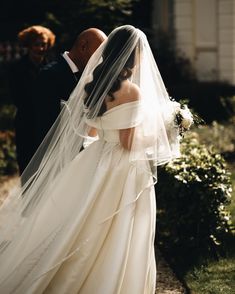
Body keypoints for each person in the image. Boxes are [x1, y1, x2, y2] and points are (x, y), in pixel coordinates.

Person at [0, 25, 180, 293]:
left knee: (83, 223)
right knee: (120, 228)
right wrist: (165, 131)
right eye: (141, 52)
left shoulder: (93, 84)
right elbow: (129, 142)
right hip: (122, 168)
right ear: (132, 55)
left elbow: (92, 129)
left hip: (96, 158)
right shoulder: (132, 91)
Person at [34, 28, 107, 150]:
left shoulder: (89, 76)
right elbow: (45, 124)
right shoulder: (49, 75)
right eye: (98, 54)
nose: (100, 61)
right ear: (83, 47)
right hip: (54, 153)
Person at [9, 25, 56, 175]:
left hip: (47, 125)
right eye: (36, 44)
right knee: (27, 168)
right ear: (28, 45)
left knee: (46, 170)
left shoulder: (52, 66)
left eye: (43, 44)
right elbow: (17, 98)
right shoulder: (16, 68)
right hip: (26, 124)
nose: (40, 48)